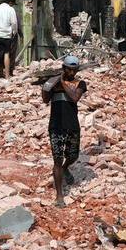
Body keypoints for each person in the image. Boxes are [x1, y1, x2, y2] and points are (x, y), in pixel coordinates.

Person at [43, 55, 88, 207]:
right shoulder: (55, 82)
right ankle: (59, 195)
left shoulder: (80, 83)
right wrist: (49, 85)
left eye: (75, 70)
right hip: (56, 126)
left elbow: (75, 98)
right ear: (64, 68)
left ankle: (64, 169)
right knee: (57, 159)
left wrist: (62, 82)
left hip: (72, 125)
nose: (72, 73)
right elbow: (45, 98)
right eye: (69, 70)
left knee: (73, 156)